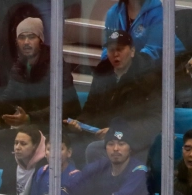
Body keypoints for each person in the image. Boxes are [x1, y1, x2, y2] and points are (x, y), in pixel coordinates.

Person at [0, 17, 80, 178]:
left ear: (40, 39)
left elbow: (63, 106)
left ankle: (28, 181)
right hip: (32, 130)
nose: (26, 42)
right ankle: (15, 177)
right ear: (17, 42)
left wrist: (28, 118)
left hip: (55, 130)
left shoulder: (56, 65)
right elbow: (7, 106)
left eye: (31, 37)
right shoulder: (18, 68)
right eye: (22, 37)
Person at [68, 31, 160, 165]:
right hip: (100, 136)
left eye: (120, 49)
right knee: (64, 144)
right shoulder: (102, 73)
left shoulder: (148, 77)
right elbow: (91, 108)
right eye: (111, 50)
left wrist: (117, 132)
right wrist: (80, 123)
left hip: (132, 141)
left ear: (132, 51)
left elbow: (156, 121)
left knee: (93, 150)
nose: (115, 54)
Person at [61, 124, 150, 195]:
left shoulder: (139, 171)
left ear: (130, 148)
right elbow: (69, 188)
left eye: (121, 144)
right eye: (111, 144)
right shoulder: (101, 165)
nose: (116, 148)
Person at [0, 125, 47, 195]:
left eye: (23, 144)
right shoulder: (10, 163)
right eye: (16, 143)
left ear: (35, 146)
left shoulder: (45, 168)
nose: (17, 147)